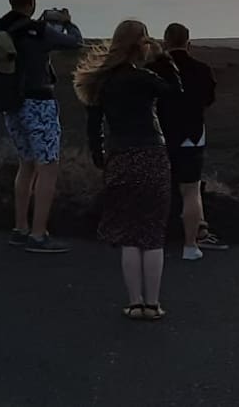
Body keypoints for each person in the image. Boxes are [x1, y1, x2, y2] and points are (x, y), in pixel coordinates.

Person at [76, 20, 181, 320]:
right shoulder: (145, 78)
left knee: (129, 234)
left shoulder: (102, 83)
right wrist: (163, 58)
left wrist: (100, 157)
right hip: (152, 155)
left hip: (120, 157)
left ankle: (134, 303)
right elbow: (176, 93)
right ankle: (153, 304)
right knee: (152, 233)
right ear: (141, 44)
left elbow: (93, 125)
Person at [0, 0, 83, 253]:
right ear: (32, 0)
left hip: (11, 105)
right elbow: (75, 42)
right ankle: (39, 235)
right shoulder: (38, 30)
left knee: (26, 164)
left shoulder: (0, 27)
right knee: (48, 167)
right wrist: (67, 21)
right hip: (39, 104)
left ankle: (20, 228)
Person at [147, 23, 226, 261]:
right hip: (192, 136)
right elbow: (208, 99)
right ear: (188, 43)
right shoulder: (202, 69)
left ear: (164, 42)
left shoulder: (152, 69)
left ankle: (153, 240)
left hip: (159, 135)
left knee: (158, 186)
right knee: (191, 190)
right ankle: (191, 244)